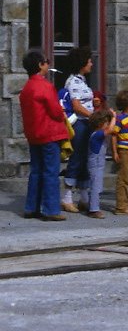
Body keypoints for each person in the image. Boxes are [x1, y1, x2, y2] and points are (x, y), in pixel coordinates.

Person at [20, 50, 68, 221]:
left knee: (36, 171)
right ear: (40, 65)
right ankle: (50, 209)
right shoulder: (45, 86)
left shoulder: (27, 87)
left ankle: (31, 207)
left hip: (34, 133)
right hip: (48, 133)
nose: (48, 64)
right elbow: (55, 112)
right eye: (46, 62)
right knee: (50, 172)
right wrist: (61, 112)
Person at [60, 46, 96, 214]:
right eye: (89, 61)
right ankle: (67, 196)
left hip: (86, 123)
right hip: (80, 124)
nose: (91, 64)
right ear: (82, 63)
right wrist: (93, 116)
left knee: (84, 159)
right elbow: (76, 106)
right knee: (77, 158)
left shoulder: (81, 80)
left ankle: (83, 196)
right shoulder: (73, 82)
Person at [83, 108, 116, 219]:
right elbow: (111, 130)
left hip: (99, 164)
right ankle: (93, 209)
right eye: (106, 122)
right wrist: (114, 117)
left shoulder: (98, 134)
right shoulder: (97, 134)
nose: (108, 124)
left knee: (97, 186)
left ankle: (91, 205)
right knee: (95, 187)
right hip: (95, 164)